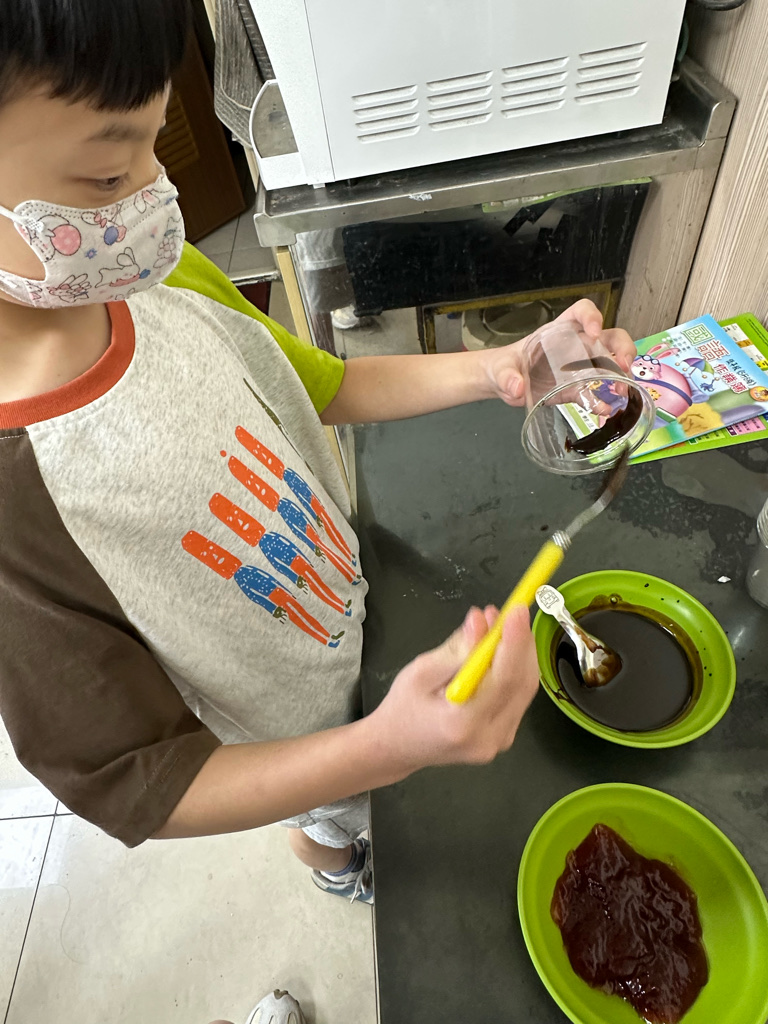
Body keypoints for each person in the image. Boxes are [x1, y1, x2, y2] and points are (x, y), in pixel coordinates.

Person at [0, 0, 636, 906]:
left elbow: (321, 386)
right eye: (108, 174)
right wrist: (384, 747)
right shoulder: (21, 500)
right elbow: (141, 781)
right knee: (332, 819)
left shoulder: (159, 275)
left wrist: (505, 368)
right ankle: (335, 867)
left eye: (153, 146)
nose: (156, 196)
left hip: (357, 612)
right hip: (300, 743)